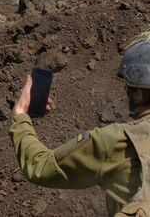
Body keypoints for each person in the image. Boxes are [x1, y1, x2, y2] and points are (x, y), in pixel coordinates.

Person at [10, 41, 150, 215]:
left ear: (138, 93)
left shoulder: (117, 140)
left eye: (128, 88)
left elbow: (40, 167)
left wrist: (21, 114)